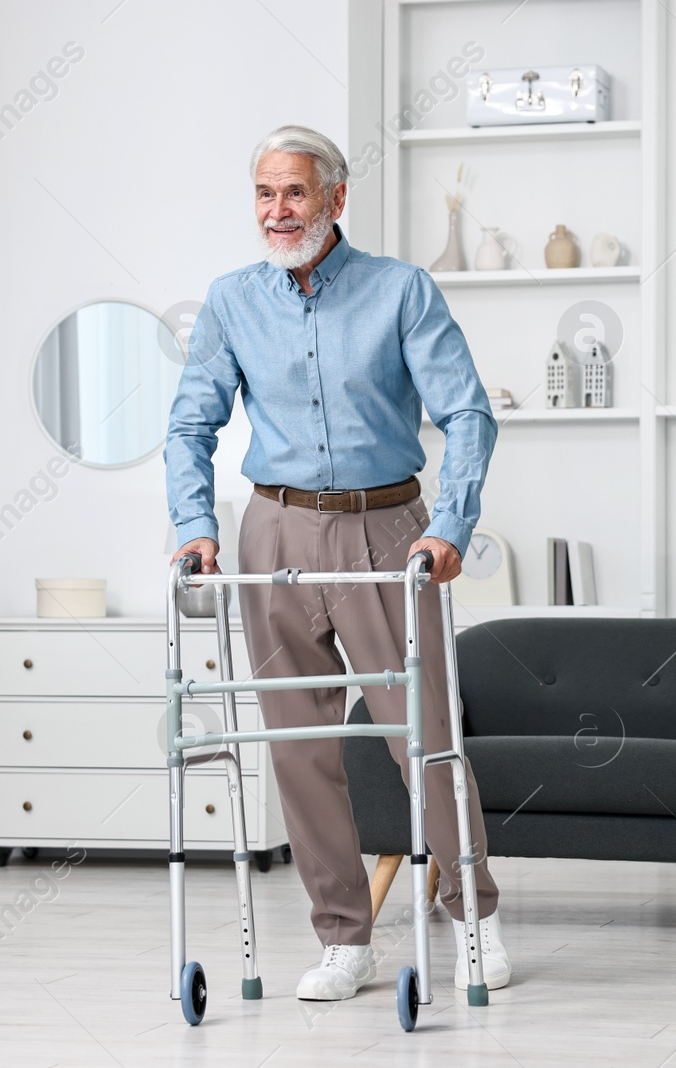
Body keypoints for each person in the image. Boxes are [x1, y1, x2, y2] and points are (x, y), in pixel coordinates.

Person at [164, 124, 510, 1001]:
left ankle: (474, 916)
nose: (279, 211)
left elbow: (468, 416)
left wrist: (453, 529)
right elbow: (190, 424)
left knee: (424, 737)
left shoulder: (401, 290)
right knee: (297, 745)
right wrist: (195, 525)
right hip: (273, 531)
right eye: (265, 194)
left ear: (336, 200)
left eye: (296, 193)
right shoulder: (232, 301)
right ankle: (343, 939)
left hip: (389, 532)